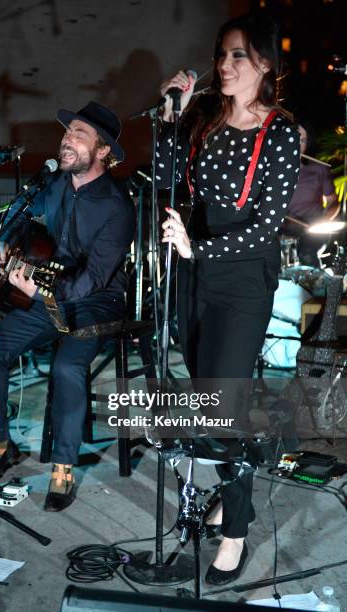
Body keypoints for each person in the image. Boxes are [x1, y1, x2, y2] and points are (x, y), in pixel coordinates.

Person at [156, 13, 300, 585]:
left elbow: (267, 226)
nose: (224, 64)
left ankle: (234, 530)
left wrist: (199, 248)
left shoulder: (282, 132)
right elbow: (167, 177)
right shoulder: (205, 119)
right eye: (222, 54)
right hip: (194, 271)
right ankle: (232, 487)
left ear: (264, 64)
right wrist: (170, 112)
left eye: (238, 55)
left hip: (241, 278)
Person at [0, 102, 135, 512]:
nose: (66, 139)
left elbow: (90, 281)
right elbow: (24, 215)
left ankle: (63, 466)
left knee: (67, 365)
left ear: (103, 151)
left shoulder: (118, 206)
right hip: (48, 288)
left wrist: (35, 292)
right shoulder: (57, 185)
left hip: (98, 302)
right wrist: (5, 243)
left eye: (78, 134)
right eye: (67, 133)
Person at [282, 122, 339, 267]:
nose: (298, 144)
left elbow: (333, 202)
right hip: (283, 230)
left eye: (302, 140)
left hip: (312, 230)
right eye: (293, 138)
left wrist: (324, 220)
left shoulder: (319, 169)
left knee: (307, 255)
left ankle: (314, 285)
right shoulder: (272, 173)